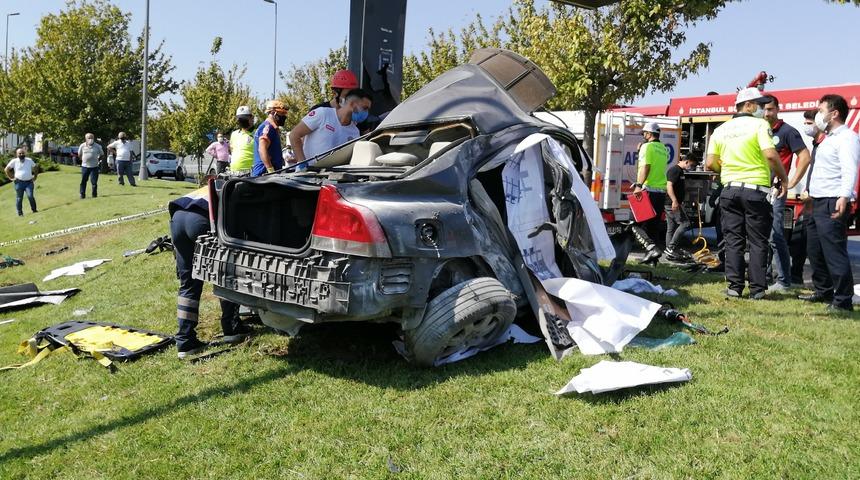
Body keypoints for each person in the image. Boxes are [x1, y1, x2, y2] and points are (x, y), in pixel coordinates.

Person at [706, 87, 788, 300]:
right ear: (748, 105)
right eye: (760, 105)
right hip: (755, 191)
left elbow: (709, 163)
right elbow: (770, 156)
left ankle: (734, 287)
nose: (763, 109)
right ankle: (757, 290)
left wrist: (724, 170)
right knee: (758, 241)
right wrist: (784, 177)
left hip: (730, 189)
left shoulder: (721, 129)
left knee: (733, 239)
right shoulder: (759, 125)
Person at [169, 186, 250, 358]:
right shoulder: (239, 191)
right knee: (223, 273)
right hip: (202, 218)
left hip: (177, 217)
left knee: (188, 283)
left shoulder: (209, 187)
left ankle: (185, 341)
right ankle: (231, 328)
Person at [798, 94, 860, 313]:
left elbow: (849, 169)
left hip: (833, 201)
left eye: (821, 110)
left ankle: (843, 300)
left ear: (834, 113)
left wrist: (844, 196)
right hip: (816, 201)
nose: (818, 115)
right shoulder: (828, 138)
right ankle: (823, 290)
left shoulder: (847, 138)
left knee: (834, 252)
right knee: (814, 249)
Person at [762, 96, 811, 292]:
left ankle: (784, 281)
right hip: (758, 190)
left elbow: (805, 157)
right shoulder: (760, 130)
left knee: (776, 236)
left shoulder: (788, 132)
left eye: (770, 109)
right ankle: (764, 276)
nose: (767, 113)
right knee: (760, 236)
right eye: (764, 110)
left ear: (778, 109)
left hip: (776, 191)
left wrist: (790, 183)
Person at [789, 109, 827, 284]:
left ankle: (825, 286)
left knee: (817, 247)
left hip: (818, 201)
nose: (806, 126)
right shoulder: (816, 143)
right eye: (805, 123)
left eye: (809, 123)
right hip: (809, 201)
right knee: (799, 242)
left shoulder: (826, 144)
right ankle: (796, 276)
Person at [289, 89, 372, 167]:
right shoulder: (323, 114)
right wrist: (302, 162)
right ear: (352, 104)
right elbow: (294, 134)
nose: (366, 113)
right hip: (307, 176)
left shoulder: (355, 132)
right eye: (365, 108)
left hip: (333, 178)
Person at [631, 121, 669, 264]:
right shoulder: (663, 148)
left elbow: (645, 167)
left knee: (635, 225)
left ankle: (651, 249)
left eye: (644, 133)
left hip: (647, 191)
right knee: (653, 227)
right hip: (660, 192)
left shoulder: (646, 147)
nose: (643, 136)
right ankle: (653, 261)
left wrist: (638, 185)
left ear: (649, 134)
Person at [664, 153, 698, 262]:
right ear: (686, 161)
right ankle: (671, 248)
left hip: (674, 202)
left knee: (671, 227)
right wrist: (674, 200)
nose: (691, 168)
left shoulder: (680, 171)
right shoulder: (675, 170)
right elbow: (669, 186)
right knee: (685, 224)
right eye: (691, 165)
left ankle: (669, 252)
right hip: (671, 203)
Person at [252, 100, 289, 177]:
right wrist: (270, 170)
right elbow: (262, 149)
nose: (284, 116)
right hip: (264, 175)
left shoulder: (271, 128)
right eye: (282, 113)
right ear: (273, 113)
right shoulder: (268, 128)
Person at [5, 148, 38, 216]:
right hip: (18, 183)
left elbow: (35, 167)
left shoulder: (29, 160)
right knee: (19, 198)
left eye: (23, 153)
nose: (21, 154)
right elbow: (6, 169)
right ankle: (20, 213)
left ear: (25, 153)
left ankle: (34, 210)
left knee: (30, 196)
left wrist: (35, 177)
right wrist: (11, 178)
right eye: (19, 153)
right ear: (17, 154)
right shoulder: (14, 161)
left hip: (29, 182)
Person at [229, 106, 255, 174]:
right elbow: (232, 150)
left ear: (251, 118)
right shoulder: (234, 134)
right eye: (239, 119)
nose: (242, 121)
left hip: (250, 173)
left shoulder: (257, 133)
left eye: (244, 118)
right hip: (234, 172)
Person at [78, 133, 103, 199]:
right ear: (86, 139)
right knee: (83, 181)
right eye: (89, 138)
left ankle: (94, 195)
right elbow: (79, 154)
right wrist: (83, 160)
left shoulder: (98, 146)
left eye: (92, 138)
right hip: (85, 166)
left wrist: (98, 160)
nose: (90, 139)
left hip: (94, 167)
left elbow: (102, 154)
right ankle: (82, 194)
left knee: (94, 182)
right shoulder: (82, 145)